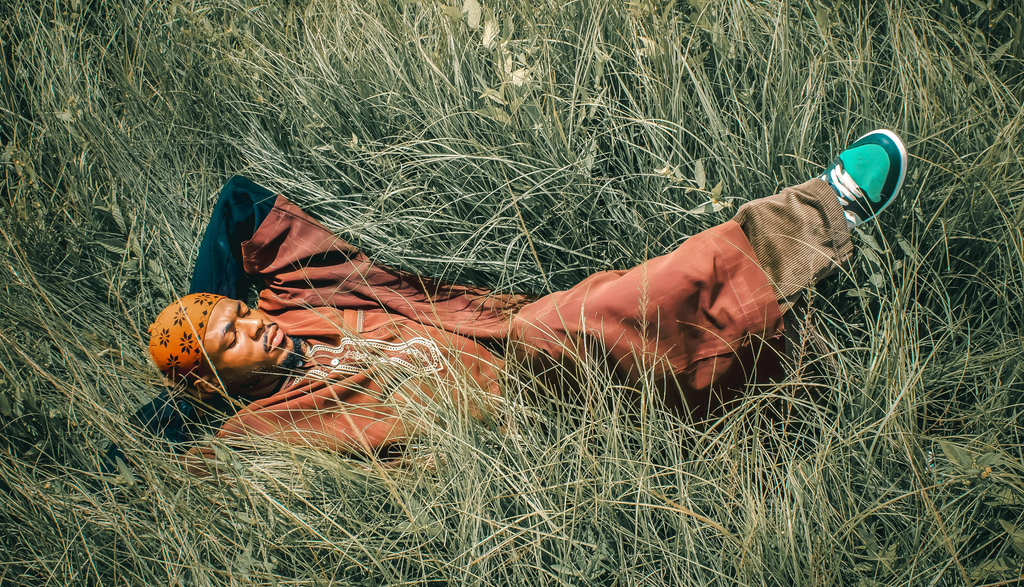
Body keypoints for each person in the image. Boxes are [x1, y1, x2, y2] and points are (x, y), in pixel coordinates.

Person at [134, 130, 908, 461]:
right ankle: (806, 353)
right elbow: (160, 476)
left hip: (510, 335)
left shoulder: (296, 297)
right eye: (233, 340)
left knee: (598, 311)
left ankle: (824, 211)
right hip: (503, 421)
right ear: (209, 382)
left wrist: (208, 315)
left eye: (240, 312)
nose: (255, 327)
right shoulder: (258, 432)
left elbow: (240, 204)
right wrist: (187, 406)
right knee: (602, 334)